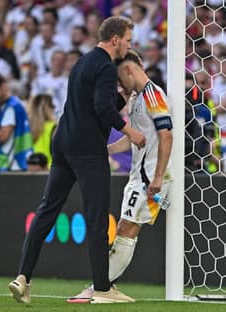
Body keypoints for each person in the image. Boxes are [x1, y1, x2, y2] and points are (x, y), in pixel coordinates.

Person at [8, 16, 145, 304]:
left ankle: (23, 277)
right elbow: (102, 111)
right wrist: (131, 132)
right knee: (97, 218)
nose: (130, 45)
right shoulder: (107, 67)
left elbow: (92, 105)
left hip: (63, 143)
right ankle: (102, 288)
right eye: (129, 40)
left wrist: (123, 98)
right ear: (116, 39)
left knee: (47, 209)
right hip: (87, 149)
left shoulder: (83, 62)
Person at [69, 49, 173, 303]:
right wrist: (106, 150)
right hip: (138, 175)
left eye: (118, 79)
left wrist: (158, 177)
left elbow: (166, 135)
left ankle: (100, 288)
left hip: (151, 178)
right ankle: (103, 287)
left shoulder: (154, 94)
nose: (118, 85)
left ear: (128, 70)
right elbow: (136, 140)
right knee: (125, 230)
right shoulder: (138, 98)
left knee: (127, 229)